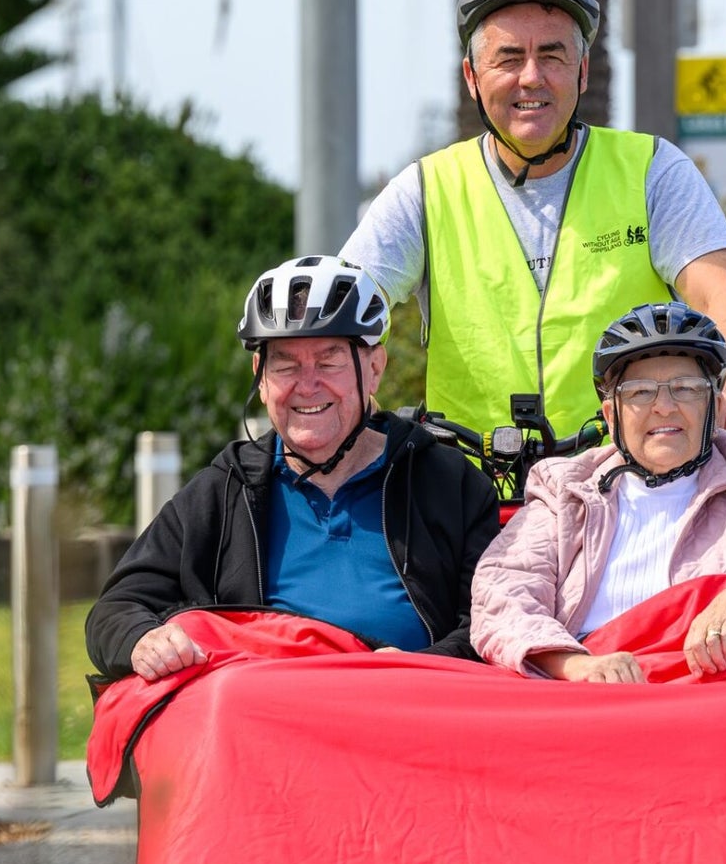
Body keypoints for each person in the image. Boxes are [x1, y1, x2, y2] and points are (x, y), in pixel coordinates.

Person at [342, 0, 726, 444]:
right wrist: (352, 400)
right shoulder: (425, 189)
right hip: (467, 496)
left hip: (625, 483)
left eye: (553, 55)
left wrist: (723, 390)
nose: (532, 77)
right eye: (509, 58)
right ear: (472, 79)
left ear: (582, 72)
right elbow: (345, 307)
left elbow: (725, 295)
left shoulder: (652, 170)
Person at [86, 255, 500, 681]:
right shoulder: (227, 490)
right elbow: (115, 609)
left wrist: (410, 668)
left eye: (328, 362)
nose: (306, 385)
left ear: (374, 369)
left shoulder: (449, 484)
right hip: (262, 728)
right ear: (260, 377)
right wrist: (144, 639)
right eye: (285, 364)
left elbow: (494, 626)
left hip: (401, 723)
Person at [469, 302, 726, 682]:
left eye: (686, 389)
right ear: (610, 415)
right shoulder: (565, 486)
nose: (665, 407)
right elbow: (501, 594)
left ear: (714, 404)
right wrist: (574, 665)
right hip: (586, 693)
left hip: (708, 694)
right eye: (640, 393)